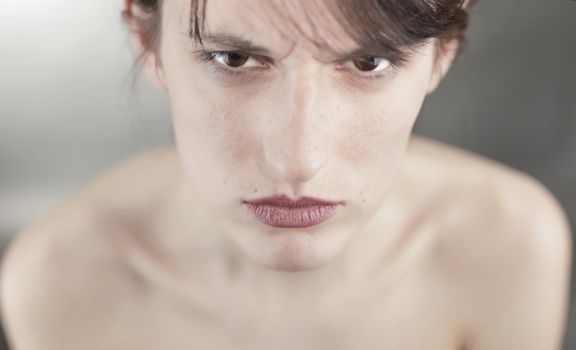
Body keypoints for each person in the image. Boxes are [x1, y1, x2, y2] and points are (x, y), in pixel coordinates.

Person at [0, 0, 572, 349]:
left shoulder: (506, 246)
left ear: (442, 52)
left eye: (368, 62)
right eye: (234, 59)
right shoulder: (61, 281)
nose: (297, 159)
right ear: (146, 42)